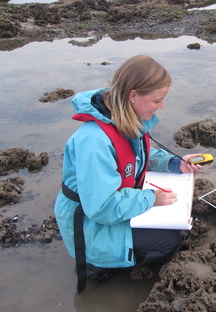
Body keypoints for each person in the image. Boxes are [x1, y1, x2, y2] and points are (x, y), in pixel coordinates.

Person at [54, 55, 203, 292]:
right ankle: (99, 267)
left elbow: (136, 155)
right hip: (90, 226)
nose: (161, 106)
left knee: (176, 228)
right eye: (157, 100)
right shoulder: (93, 141)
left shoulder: (123, 118)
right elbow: (101, 207)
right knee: (169, 241)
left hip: (106, 209)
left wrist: (175, 164)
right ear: (133, 96)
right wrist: (150, 198)